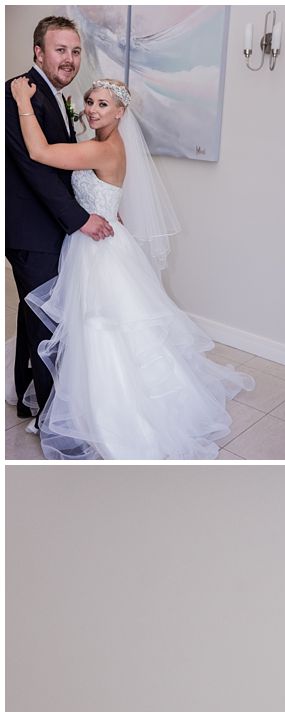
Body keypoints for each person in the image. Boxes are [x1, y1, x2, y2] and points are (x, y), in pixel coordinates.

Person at [9, 72, 253, 460]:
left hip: (95, 251)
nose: (92, 109)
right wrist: (108, 210)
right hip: (99, 239)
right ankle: (81, 401)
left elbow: (38, 153)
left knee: (98, 329)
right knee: (96, 329)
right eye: (90, 101)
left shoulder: (102, 150)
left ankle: (105, 413)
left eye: (103, 104)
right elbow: (104, 191)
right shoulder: (100, 146)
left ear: (121, 112)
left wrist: (22, 101)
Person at [5, 15, 113, 423]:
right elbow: (34, 169)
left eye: (75, 51)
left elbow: (66, 165)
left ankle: (24, 391)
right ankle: (56, 421)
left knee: (35, 314)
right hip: (32, 231)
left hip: (48, 229)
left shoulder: (52, 94)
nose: (69, 59)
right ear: (38, 52)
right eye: (60, 50)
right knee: (50, 323)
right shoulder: (21, 94)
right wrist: (80, 218)